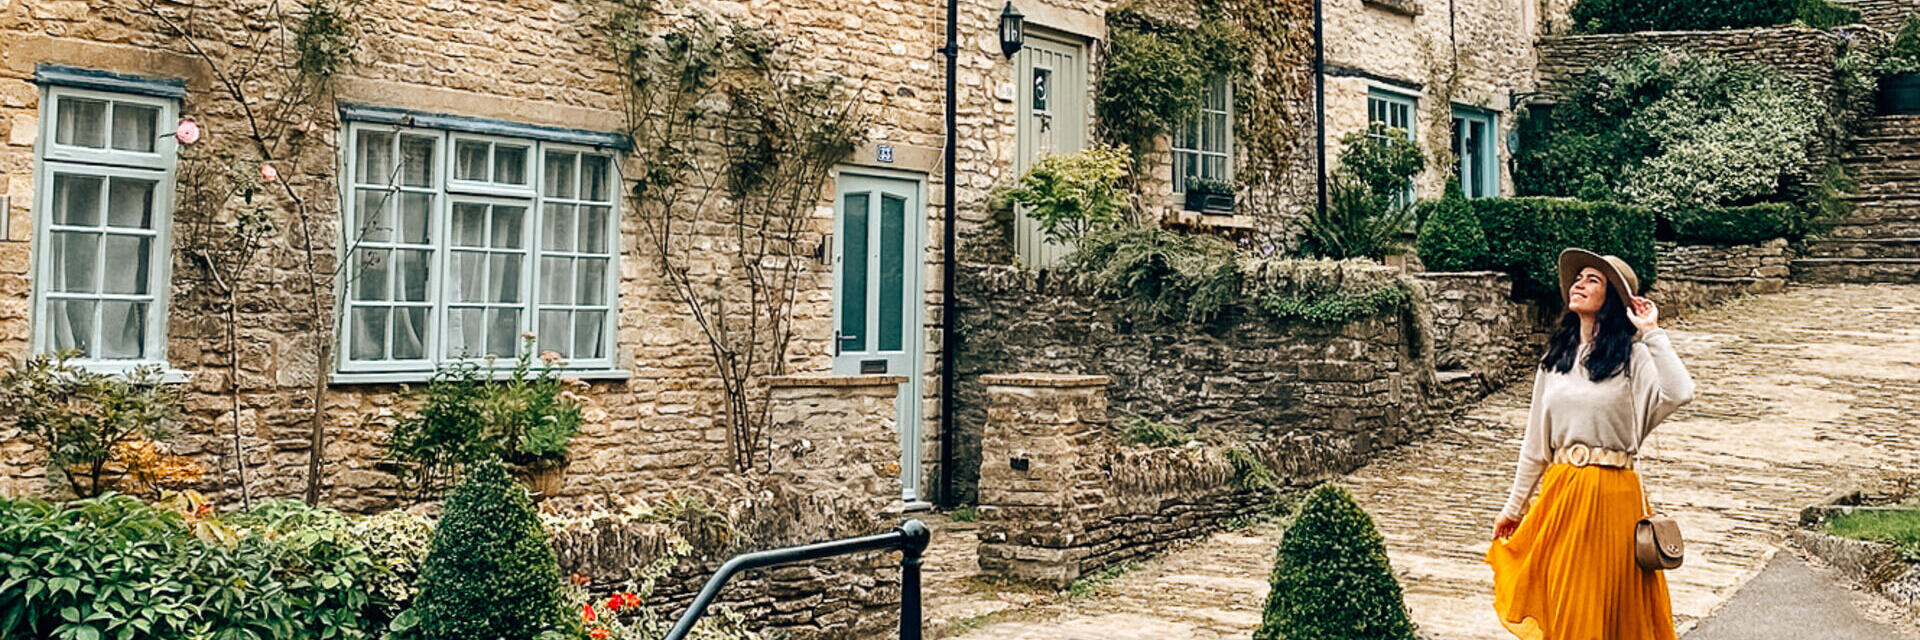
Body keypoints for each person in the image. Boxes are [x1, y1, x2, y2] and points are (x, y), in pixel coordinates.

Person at [1485, 248, 1697, 639]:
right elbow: (1536, 444)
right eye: (1578, 277)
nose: (1579, 284)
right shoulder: (1555, 359)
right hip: (1562, 496)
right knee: (1567, 604)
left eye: (1593, 280)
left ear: (1613, 300)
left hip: (1615, 497)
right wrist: (1513, 508)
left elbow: (1680, 391)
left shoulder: (1634, 359)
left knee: (1612, 610)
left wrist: (1651, 331)